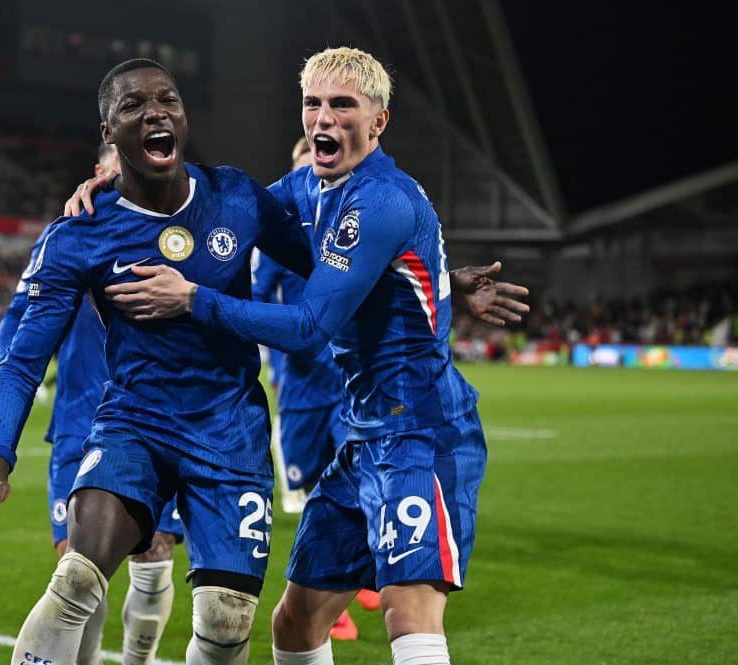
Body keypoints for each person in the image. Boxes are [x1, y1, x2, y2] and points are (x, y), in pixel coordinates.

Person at [100, 47, 529, 665]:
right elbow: (215, 205)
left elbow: (307, 327)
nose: (323, 118)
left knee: (407, 608)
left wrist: (192, 298)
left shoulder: (382, 199)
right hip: (361, 437)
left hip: (421, 432)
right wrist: (119, 188)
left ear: (378, 121)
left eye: (342, 106)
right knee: (296, 623)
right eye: (313, 104)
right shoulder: (308, 185)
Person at [0, 58, 317, 665]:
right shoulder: (80, 232)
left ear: (183, 116)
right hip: (133, 426)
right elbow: (21, 362)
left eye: (167, 99)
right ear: (109, 133)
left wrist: (436, 282)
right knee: (75, 580)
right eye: (132, 106)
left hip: (229, 432)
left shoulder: (236, 197)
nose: (155, 112)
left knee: (227, 621)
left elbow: (334, 269)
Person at [0, 142, 185, 665]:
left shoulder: (182, 231)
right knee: (78, 569)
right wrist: (28, 369)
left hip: (161, 425)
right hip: (81, 423)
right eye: (126, 159)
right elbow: (18, 321)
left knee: (154, 558)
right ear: (101, 171)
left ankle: (138, 661)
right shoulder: (69, 235)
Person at [252, 136, 375, 642]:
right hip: (301, 385)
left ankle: (361, 577)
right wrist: (277, 366)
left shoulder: (350, 233)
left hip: (347, 380)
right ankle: (322, 596)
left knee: (360, 483)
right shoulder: (283, 244)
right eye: (303, 173)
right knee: (306, 498)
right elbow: (257, 300)